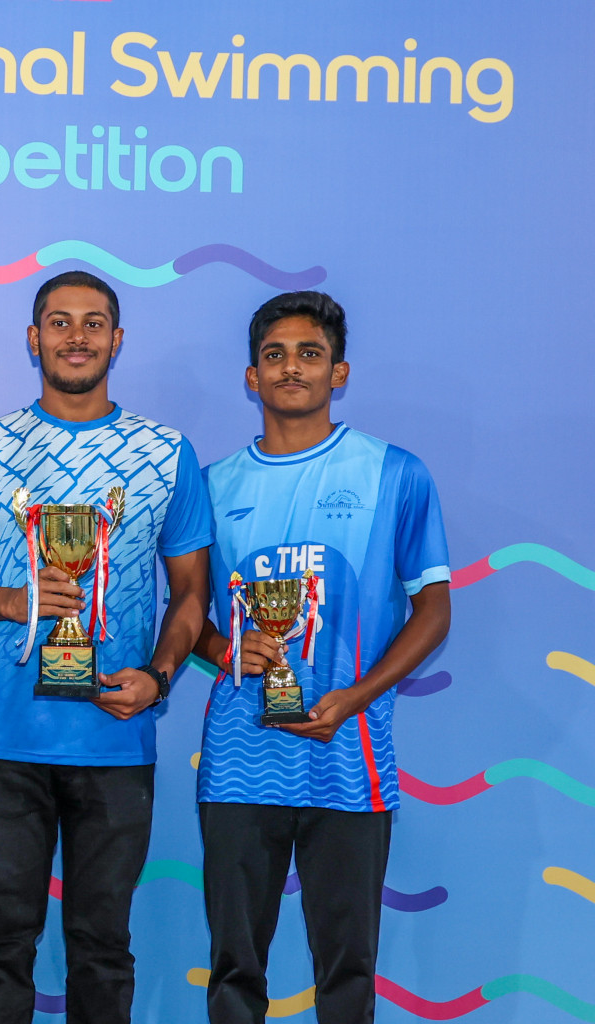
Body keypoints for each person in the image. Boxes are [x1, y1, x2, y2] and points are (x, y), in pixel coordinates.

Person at [0, 271, 212, 1022]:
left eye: (94, 323)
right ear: (34, 340)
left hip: (113, 737)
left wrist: (159, 679)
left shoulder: (165, 453)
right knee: (2, 938)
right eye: (58, 323)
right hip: (4, 736)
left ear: (117, 341)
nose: (76, 336)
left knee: (102, 944)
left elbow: (192, 593)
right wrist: (17, 601)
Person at [192, 291, 450, 1024]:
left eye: (309, 353)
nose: (291, 368)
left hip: (351, 756)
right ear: (251, 376)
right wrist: (225, 648)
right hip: (242, 757)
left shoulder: (395, 474)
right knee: (234, 971)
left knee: (348, 974)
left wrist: (357, 696)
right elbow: (187, 621)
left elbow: (434, 610)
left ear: (339, 372)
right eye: (274, 355)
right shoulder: (212, 486)